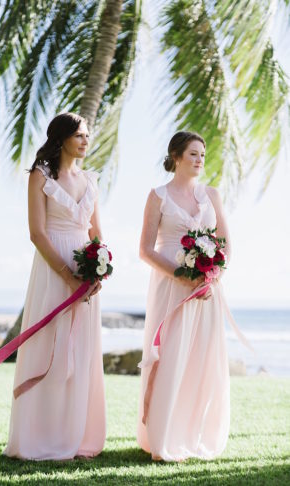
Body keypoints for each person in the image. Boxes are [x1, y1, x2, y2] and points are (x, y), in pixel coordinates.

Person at [4, 112, 105, 460]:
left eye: (88, 136)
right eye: (79, 135)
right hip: (52, 268)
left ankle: (76, 436)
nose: (85, 141)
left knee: (80, 354)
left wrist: (98, 271)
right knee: (52, 348)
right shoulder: (40, 175)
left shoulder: (90, 180)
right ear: (61, 137)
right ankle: (40, 437)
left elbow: (96, 233)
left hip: (86, 269)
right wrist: (66, 274)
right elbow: (36, 233)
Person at [137, 131, 231, 462]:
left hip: (207, 290)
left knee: (200, 360)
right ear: (176, 156)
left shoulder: (212, 195)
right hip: (170, 285)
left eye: (202, 154)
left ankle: (192, 434)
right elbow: (145, 250)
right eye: (193, 154)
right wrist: (183, 276)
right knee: (171, 356)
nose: (199, 160)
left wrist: (210, 278)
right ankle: (162, 439)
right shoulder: (158, 196)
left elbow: (225, 245)